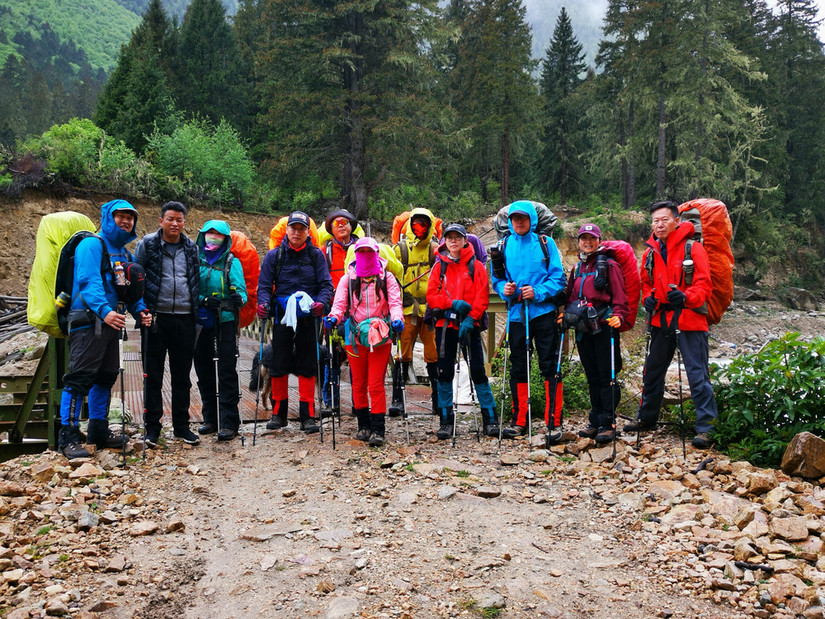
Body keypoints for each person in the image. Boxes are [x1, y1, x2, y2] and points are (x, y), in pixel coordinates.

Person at [58, 199, 152, 459]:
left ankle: (98, 430)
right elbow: (88, 281)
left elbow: (130, 290)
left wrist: (140, 311)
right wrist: (104, 310)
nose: (126, 221)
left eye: (130, 218)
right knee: (79, 379)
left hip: (112, 322)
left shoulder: (124, 253)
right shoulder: (91, 245)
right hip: (88, 321)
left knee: (105, 377)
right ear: (108, 218)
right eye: (121, 216)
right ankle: (68, 436)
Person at [624, 200, 718, 449]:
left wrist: (686, 296)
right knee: (652, 370)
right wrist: (648, 298)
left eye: (664, 219)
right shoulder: (650, 253)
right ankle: (647, 418)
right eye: (655, 220)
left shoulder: (693, 248)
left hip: (690, 318)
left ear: (677, 221)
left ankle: (707, 428)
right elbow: (646, 283)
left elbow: (704, 285)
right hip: (660, 319)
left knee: (697, 374)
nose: (659, 224)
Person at [489, 200, 566, 439]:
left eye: (523, 218)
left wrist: (538, 291)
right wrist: (504, 290)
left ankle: (554, 422)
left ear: (531, 219)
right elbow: (497, 279)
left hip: (543, 313)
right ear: (510, 221)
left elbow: (558, 278)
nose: (519, 222)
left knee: (550, 365)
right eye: (515, 218)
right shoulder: (502, 246)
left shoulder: (546, 243)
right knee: (519, 366)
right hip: (516, 314)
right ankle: (519, 420)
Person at [257, 211, 334, 433]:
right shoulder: (275, 256)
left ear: (308, 232)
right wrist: (263, 304)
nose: (297, 232)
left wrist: (321, 304)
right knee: (278, 362)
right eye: (294, 228)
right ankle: (278, 415)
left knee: (307, 364)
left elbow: (326, 285)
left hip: (308, 315)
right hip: (283, 314)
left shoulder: (316, 256)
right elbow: (264, 285)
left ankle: (307, 416)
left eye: (302, 229)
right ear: (287, 230)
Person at [323, 237, 404, 446]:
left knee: (375, 383)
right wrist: (333, 317)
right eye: (362, 252)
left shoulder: (387, 278)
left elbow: (395, 303)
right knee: (358, 382)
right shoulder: (348, 280)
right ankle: (364, 425)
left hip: (380, 336)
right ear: (356, 255)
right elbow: (339, 304)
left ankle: (378, 428)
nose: (365, 256)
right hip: (355, 336)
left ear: (376, 254)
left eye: (369, 252)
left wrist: (397, 319)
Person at [134, 201, 200, 447]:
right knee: (152, 375)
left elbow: (194, 279)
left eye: (179, 220)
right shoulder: (147, 245)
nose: (175, 224)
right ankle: (152, 428)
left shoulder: (191, 248)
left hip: (185, 318)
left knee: (182, 376)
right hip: (155, 318)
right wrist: (141, 310)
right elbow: (137, 278)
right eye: (170, 219)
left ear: (184, 223)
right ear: (161, 220)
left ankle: (182, 427)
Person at [426, 223, 498, 440]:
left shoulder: (476, 266)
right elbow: (432, 296)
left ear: (465, 240)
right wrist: (452, 303)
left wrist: (471, 318)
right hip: (445, 325)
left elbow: (482, 297)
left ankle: (490, 420)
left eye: (457, 237)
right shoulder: (439, 267)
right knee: (444, 372)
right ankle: (446, 421)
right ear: (444, 241)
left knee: (477, 370)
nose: (453, 241)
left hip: (470, 325)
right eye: (449, 237)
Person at [558, 224, 629, 444]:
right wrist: (564, 315)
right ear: (579, 241)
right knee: (592, 376)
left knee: (607, 376)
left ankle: (608, 422)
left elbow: (620, 297)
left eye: (592, 238)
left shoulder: (610, 265)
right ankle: (595, 420)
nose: (587, 242)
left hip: (604, 327)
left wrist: (619, 315)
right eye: (584, 238)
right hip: (583, 329)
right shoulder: (577, 268)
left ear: (599, 241)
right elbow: (571, 297)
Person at [193, 220, 247, 442]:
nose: (213, 237)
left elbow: (241, 291)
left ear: (226, 239)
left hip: (225, 321)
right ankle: (210, 419)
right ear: (203, 235)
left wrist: (238, 298)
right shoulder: (195, 260)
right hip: (201, 321)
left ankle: (229, 422)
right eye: (210, 233)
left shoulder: (232, 261)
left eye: (218, 234)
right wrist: (203, 300)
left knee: (226, 370)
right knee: (203, 369)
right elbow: (188, 289)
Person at [392, 207, 440, 417]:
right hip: (406, 310)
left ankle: (439, 401)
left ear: (430, 225)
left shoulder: (436, 250)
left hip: (430, 311)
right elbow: (391, 277)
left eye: (424, 223)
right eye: (416, 223)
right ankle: (397, 400)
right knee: (402, 354)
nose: (419, 227)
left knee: (433, 354)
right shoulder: (400, 249)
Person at [320, 209, 360, 415]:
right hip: (333, 309)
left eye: (345, 222)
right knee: (332, 356)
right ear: (331, 229)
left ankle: (358, 403)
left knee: (356, 356)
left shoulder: (363, 248)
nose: (341, 226)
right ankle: (331, 403)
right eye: (337, 224)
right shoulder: (325, 251)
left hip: (358, 310)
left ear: (352, 226)